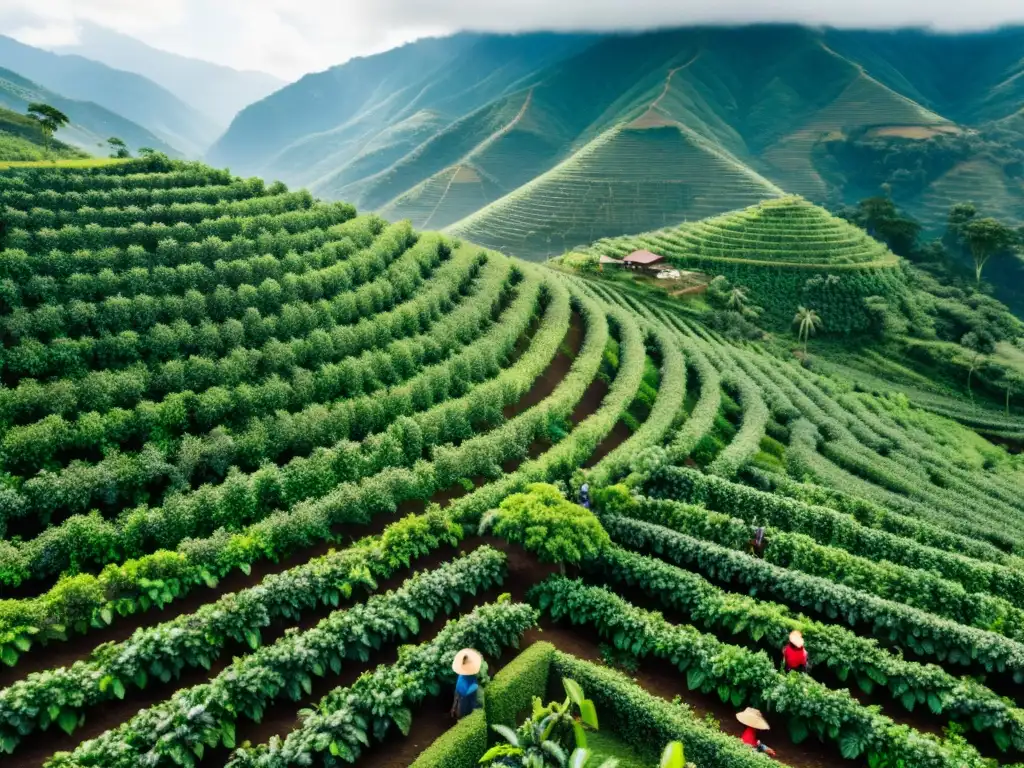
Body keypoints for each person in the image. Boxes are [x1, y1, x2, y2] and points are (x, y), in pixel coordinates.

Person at [450, 648, 483, 719]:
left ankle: (458, 715)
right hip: (462, 692)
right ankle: (458, 716)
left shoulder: (465, 673)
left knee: (461, 707)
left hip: (463, 692)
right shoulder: (464, 672)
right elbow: (465, 691)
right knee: (460, 707)